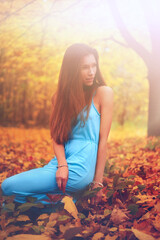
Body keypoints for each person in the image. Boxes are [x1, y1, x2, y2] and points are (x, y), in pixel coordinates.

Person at [1, 43, 113, 208]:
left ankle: (63, 201)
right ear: (72, 70)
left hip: (81, 168)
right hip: (60, 164)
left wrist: (98, 183)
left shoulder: (103, 93)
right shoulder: (58, 98)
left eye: (93, 65)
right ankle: (67, 202)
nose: (91, 72)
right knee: (11, 199)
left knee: (7, 187)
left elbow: (103, 142)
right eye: (84, 67)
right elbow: (57, 137)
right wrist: (61, 165)